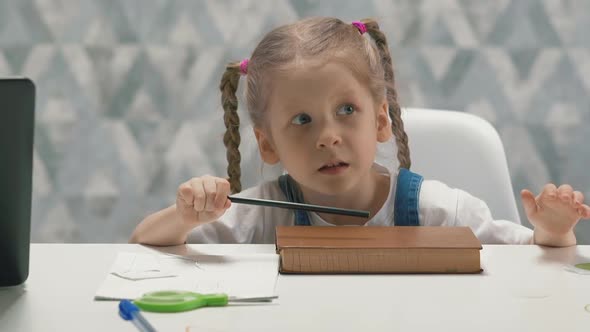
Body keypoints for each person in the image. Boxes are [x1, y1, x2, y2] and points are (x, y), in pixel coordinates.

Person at [130, 17, 590, 247]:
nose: (328, 136)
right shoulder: (262, 216)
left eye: (346, 109)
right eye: (302, 120)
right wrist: (186, 216)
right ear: (267, 143)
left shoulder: (438, 212)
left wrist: (552, 232)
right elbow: (143, 246)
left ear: (381, 121)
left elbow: (530, 257)